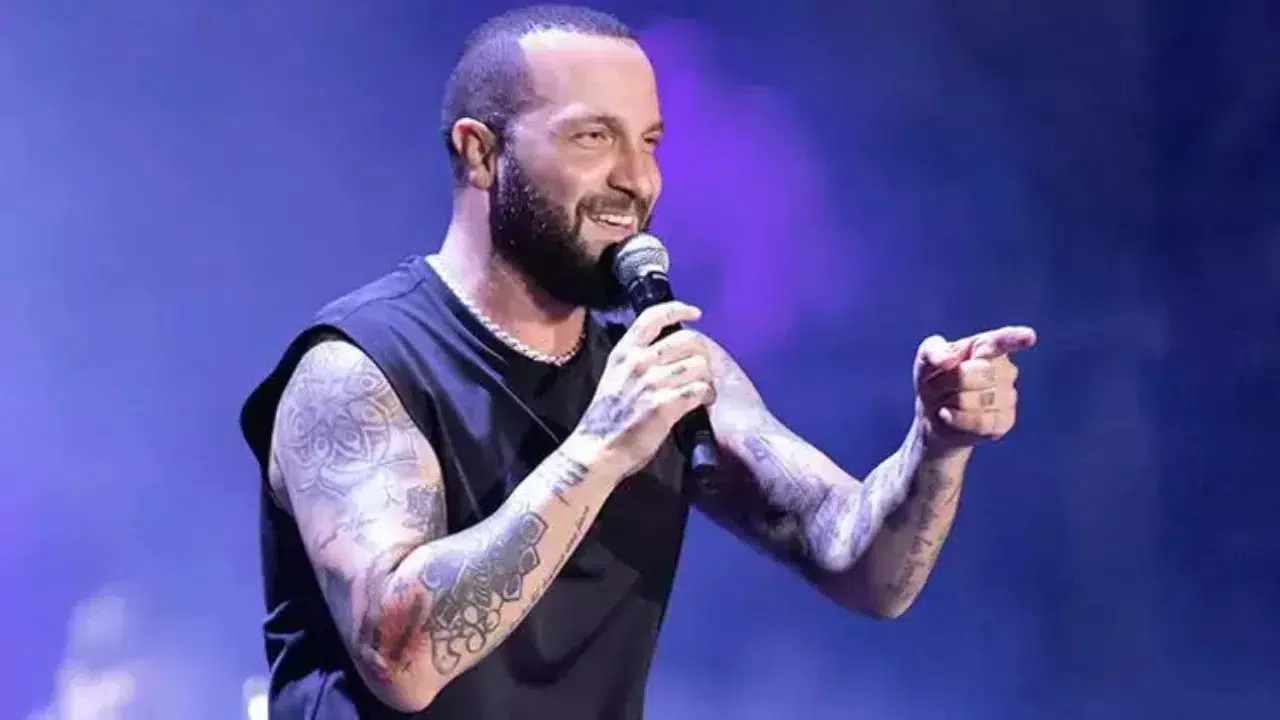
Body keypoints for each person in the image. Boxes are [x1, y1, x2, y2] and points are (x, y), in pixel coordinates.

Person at [238, 4, 1038, 718]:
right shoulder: (357, 370)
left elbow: (861, 566)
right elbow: (400, 660)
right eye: (594, 137)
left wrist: (936, 444)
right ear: (480, 153)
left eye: (649, 141)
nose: (637, 179)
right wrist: (599, 449)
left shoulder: (662, 370)